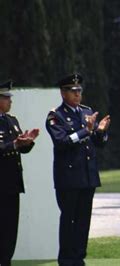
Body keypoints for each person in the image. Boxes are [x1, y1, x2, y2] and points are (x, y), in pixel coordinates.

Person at [45, 73, 111, 266]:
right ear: (63, 93)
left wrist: (100, 131)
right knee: (69, 219)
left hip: (87, 175)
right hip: (69, 177)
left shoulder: (86, 111)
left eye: (79, 91)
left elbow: (98, 143)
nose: (77, 95)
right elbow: (62, 142)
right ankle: (66, 260)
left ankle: (79, 258)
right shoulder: (56, 116)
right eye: (73, 91)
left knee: (83, 221)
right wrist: (86, 130)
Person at [0, 80, 39, 266]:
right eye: (6, 97)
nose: (10, 101)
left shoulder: (11, 120)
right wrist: (15, 144)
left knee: (10, 229)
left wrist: (27, 142)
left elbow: (19, 148)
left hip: (12, 184)